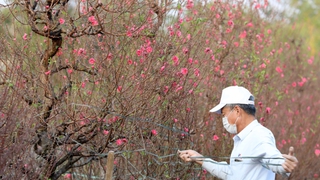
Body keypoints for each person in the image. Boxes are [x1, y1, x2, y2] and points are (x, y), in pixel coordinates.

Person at [178, 86, 298, 179]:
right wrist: (199, 158)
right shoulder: (242, 139)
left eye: (224, 114)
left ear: (237, 110)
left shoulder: (259, 135)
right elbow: (232, 173)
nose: (223, 119)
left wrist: (283, 165)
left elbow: (271, 158)